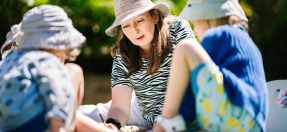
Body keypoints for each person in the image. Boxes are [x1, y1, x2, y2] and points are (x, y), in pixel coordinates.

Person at [79, 0, 197, 130]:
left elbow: (193, 76)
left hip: (180, 110)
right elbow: (119, 106)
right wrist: (113, 125)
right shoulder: (123, 53)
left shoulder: (178, 29)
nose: (134, 31)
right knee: (80, 114)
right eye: (126, 26)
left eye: (139, 21)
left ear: (155, 16)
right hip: (142, 108)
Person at [153, 0, 268, 131]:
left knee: (185, 47)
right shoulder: (246, 42)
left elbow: (190, 92)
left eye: (195, 23)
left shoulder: (219, 35)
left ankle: (166, 122)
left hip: (236, 113)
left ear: (208, 18)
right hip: (252, 123)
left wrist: (182, 120)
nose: (194, 31)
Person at [0, 5, 115, 132]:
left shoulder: (10, 61)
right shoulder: (46, 59)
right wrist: (57, 126)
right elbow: (57, 91)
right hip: (37, 122)